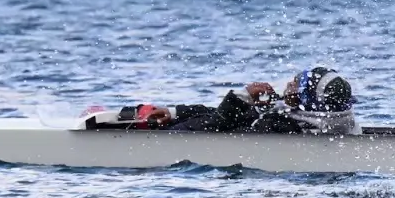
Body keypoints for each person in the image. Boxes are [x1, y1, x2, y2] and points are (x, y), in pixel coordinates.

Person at [85, 65, 357, 134]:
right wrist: (175, 111)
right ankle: (156, 115)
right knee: (168, 115)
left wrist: (241, 98)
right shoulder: (314, 121)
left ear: (307, 98)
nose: (288, 83)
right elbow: (218, 116)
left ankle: (133, 124)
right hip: (194, 125)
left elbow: (217, 126)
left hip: (189, 139)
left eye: (297, 81)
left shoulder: (283, 126)